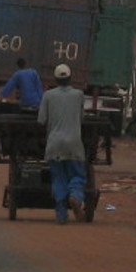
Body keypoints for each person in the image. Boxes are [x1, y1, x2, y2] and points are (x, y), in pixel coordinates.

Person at [38, 63, 86, 224]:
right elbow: (82, 118)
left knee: (58, 178)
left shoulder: (48, 95)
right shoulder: (79, 95)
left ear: (55, 79)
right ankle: (75, 196)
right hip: (74, 144)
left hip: (54, 144)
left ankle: (61, 215)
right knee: (77, 175)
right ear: (70, 78)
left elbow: (41, 120)